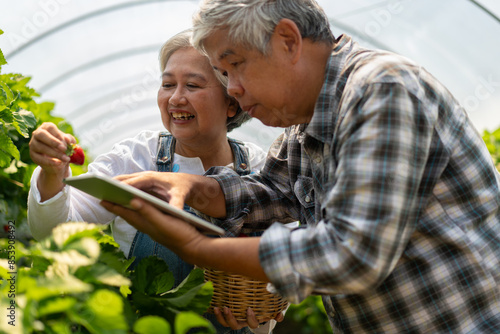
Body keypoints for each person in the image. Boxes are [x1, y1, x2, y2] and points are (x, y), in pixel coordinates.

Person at [101, 0, 500, 333]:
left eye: (235, 65)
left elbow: (352, 253)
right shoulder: (301, 130)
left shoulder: (382, 90)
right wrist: (193, 187)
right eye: (223, 74)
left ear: (288, 41)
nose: (233, 88)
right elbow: (268, 192)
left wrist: (198, 247)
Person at [27, 29, 282, 334]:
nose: (176, 98)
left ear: (232, 102)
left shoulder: (259, 168)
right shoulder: (135, 158)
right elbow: (54, 231)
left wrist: (261, 309)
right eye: (167, 85)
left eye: (192, 85)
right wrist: (52, 173)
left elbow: (282, 260)